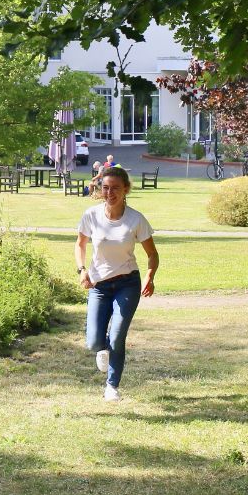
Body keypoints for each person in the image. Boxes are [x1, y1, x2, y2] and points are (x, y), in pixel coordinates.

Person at [75, 167, 159, 402]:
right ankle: (102, 350)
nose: (109, 193)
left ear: (125, 190)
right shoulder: (91, 215)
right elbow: (80, 245)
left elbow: (152, 254)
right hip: (99, 285)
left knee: (117, 337)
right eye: (105, 188)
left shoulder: (136, 219)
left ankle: (112, 386)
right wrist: (82, 270)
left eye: (115, 188)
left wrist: (150, 277)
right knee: (94, 341)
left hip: (127, 283)